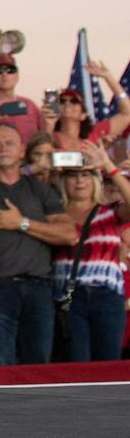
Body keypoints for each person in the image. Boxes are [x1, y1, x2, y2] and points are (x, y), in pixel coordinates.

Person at [0, 122, 77, 366]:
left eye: (9, 143)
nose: (3, 148)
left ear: (22, 150)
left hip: (38, 287)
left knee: (38, 365)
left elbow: (69, 234)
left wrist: (20, 223)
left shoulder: (39, 189)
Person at [51, 140, 130, 362]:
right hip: (68, 299)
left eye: (86, 174)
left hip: (107, 296)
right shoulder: (52, 214)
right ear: (63, 181)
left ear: (95, 180)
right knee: (77, 367)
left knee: (108, 366)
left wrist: (107, 164)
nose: (80, 181)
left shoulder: (109, 212)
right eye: (73, 175)